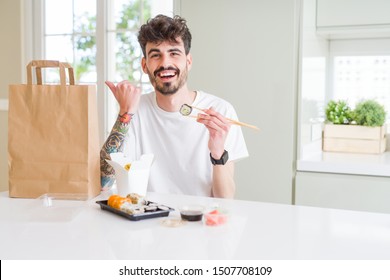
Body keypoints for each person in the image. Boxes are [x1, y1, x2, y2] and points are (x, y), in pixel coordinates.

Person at [100, 14, 248, 198]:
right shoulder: (135, 111)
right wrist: (124, 114)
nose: (165, 63)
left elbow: (225, 200)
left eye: (174, 53)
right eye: (156, 55)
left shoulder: (221, 111)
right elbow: (104, 182)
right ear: (145, 65)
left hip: (201, 221)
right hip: (148, 220)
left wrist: (218, 153)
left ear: (188, 61)